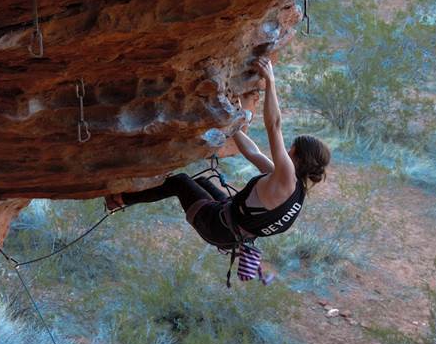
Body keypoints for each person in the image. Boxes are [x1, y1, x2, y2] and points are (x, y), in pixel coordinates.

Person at [105, 57, 330, 282]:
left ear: (298, 158)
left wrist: (270, 82)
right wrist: (233, 126)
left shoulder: (286, 177)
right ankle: (125, 199)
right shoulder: (294, 189)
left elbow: (274, 126)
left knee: (180, 182)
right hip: (232, 230)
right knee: (202, 183)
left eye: (291, 149)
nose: (287, 151)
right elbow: (254, 154)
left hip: (218, 226)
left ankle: (121, 199)